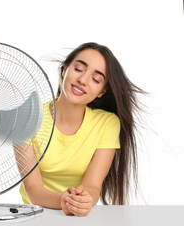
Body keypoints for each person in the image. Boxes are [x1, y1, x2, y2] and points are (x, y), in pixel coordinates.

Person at [18, 42, 145, 216]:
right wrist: (65, 201)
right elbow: (33, 189)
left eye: (96, 79)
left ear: (102, 91)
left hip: (80, 217)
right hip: (34, 215)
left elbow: (92, 186)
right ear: (64, 70)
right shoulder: (26, 119)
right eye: (78, 69)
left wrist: (85, 200)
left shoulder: (107, 124)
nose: (83, 80)